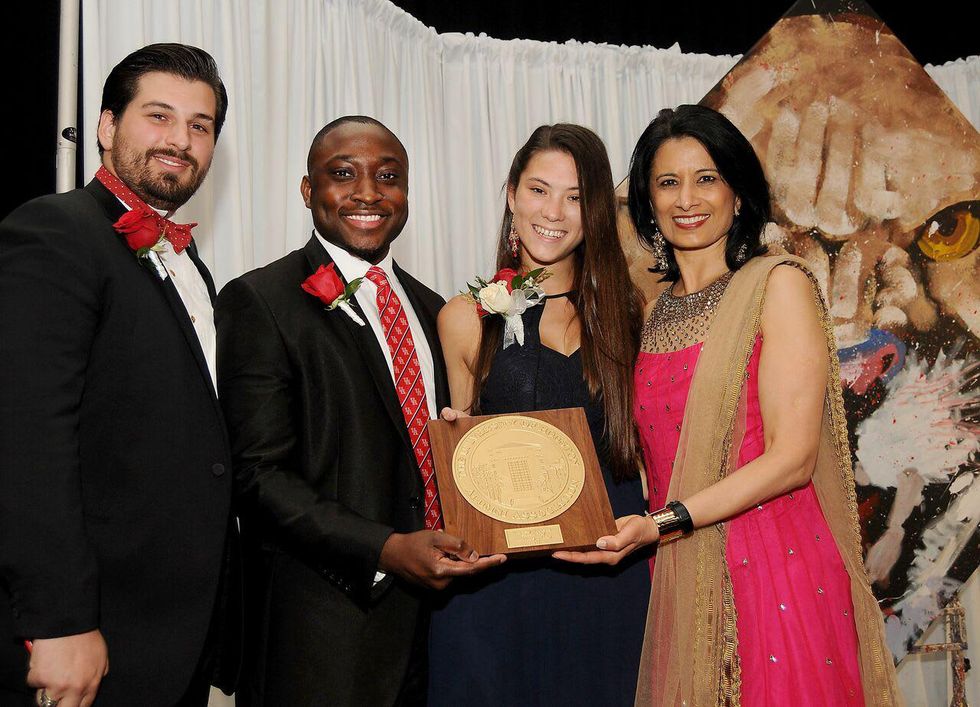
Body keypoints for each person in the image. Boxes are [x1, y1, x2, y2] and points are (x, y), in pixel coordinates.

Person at [555, 105, 903, 705]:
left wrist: (663, 522)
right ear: (649, 202)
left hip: (775, 565)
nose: (687, 199)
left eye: (707, 178)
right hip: (681, 571)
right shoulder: (651, 312)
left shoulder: (778, 284)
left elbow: (792, 458)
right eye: (668, 182)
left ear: (737, 194)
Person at [215, 116, 504, 706]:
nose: (368, 193)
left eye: (388, 177)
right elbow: (258, 477)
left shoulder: (434, 308)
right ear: (308, 190)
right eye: (343, 174)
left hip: (438, 633)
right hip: (320, 638)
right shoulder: (261, 301)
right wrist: (384, 548)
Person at [0, 44, 238, 706]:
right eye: (159, 116)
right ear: (107, 126)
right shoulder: (55, 232)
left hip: (172, 634)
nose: (180, 140)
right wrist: (59, 620)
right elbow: (25, 438)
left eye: (199, 125)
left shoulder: (187, 262)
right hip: (89, 631)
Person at [430, 124, 651, 706]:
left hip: (609, 568)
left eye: (575, 196)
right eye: (538, 189)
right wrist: (455, 435)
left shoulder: (633, 313)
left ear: (595, 210)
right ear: (511, 194)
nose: (553, 211)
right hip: (500, 586)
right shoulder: (464, 317)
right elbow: (464, 441)